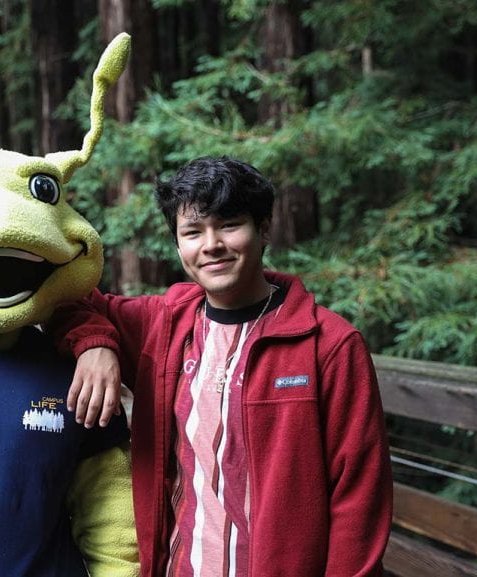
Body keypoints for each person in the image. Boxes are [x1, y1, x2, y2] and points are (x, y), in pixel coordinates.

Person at [49, 156, 393, 576]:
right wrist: (96, 345)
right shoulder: (163, 324)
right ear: (179, 246)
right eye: (193, 232)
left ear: (264, 228)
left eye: (229, 225)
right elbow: (68, 299)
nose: (211, 244)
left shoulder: (330, 346)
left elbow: (359, 496)